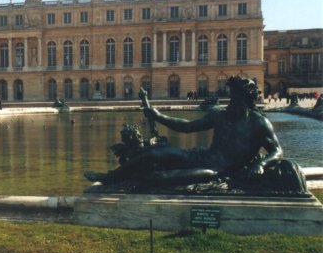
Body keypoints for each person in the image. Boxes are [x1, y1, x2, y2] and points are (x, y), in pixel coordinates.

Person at [85, 76, 284, 185]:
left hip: (218, 170)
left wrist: (262, 164)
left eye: (235, 98)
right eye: (231, 97)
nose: (230, 102)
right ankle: (110, 177)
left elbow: (277, 151)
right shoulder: (220, 115)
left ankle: (129, 184)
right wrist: (158, 116)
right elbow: (187, 127)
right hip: (201, 156)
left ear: (246, 100)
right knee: (152, 153)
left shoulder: (259, 123)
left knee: (163, 178)